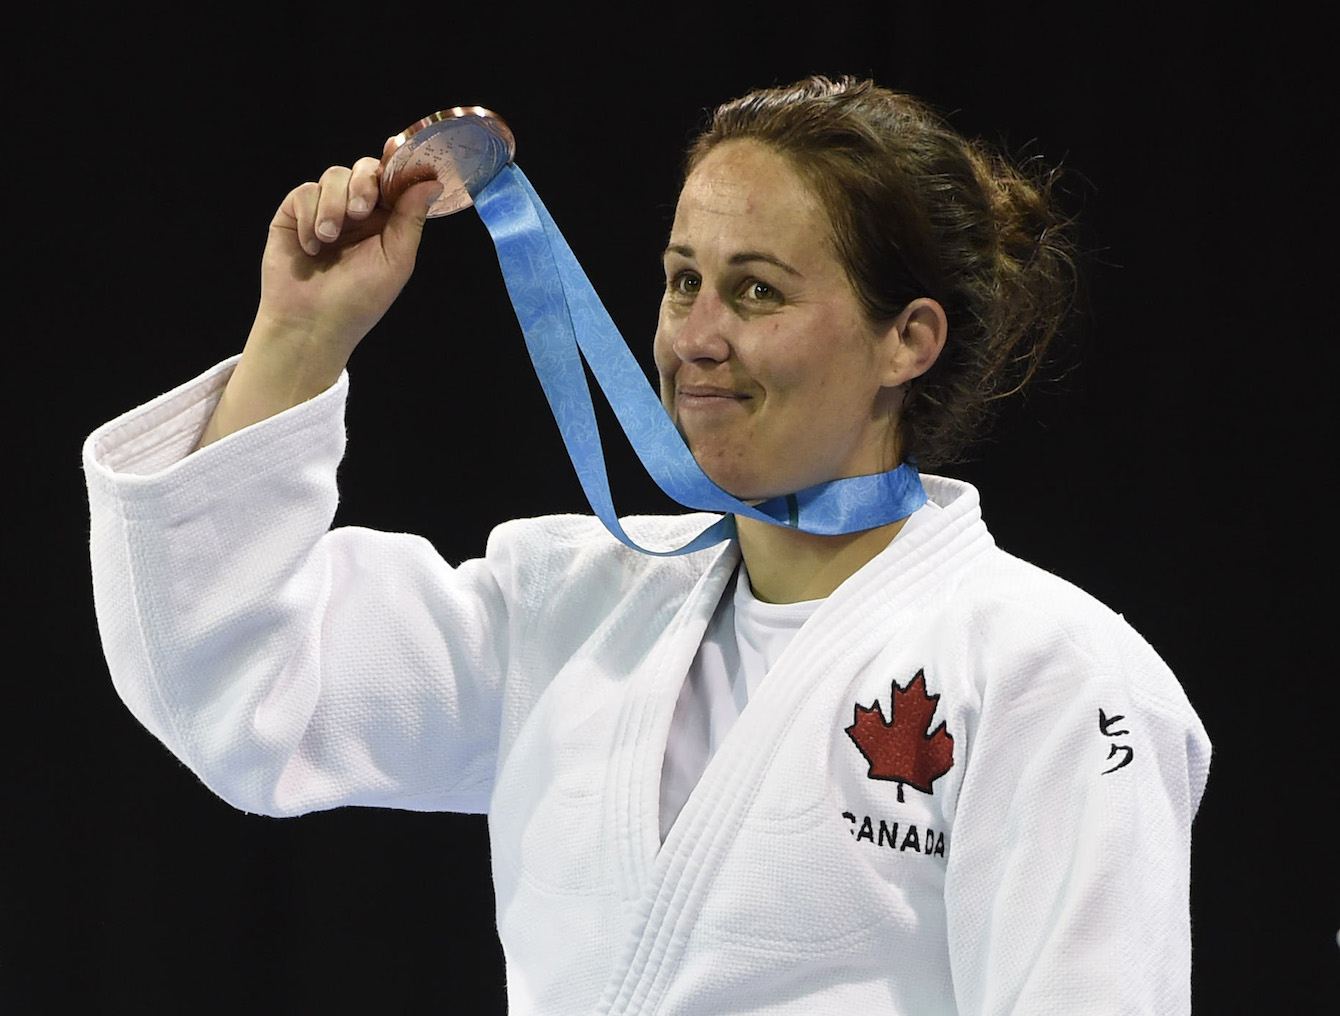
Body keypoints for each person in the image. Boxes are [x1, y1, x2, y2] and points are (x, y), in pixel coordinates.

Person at [83, 76, 1212, 1014]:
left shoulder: (1049, 673)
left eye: (755, 291)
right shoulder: (572, 609)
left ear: (906, 340)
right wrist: (297, 339)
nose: (696, 338)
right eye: (682, 282)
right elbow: (239, 685)